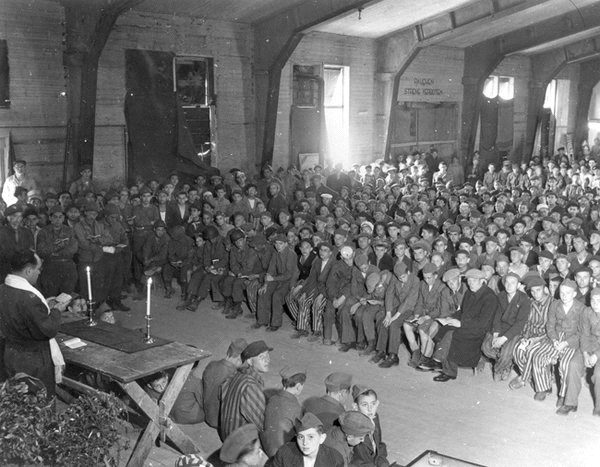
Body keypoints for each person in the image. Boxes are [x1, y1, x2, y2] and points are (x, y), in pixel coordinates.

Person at [0, 249, 64, 398]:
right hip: (33, 361)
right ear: (28, 270)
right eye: (38, 269)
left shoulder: (2, 289)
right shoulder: (30, 299)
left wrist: (42, 307)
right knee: (39, 404)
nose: (39, 273)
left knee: (18, 402)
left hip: (10, 355)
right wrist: (56, 311)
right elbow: (49, 329)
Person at [433, 268, 500, 382]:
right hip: (468, 324)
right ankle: (441, 362)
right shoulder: (469, 292)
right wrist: (451, 318)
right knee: (444, 329)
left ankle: (443, 365)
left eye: (474, 281)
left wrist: (461, 323)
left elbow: (483, 323)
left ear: (482, 281)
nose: (470, 284)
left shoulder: (489, 297)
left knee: (453, 334)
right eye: (468, 281)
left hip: (479, 330)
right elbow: (463, 311)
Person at [481, 272, 531, 381]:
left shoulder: (524, 299)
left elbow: (520, 323)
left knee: (506, 353)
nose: (509, 285)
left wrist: (503, 338)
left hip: (514, 330)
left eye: (513, 283)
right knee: (486, 347)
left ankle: (499, 369)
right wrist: (495, 335)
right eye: (507, 282)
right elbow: (496, 317)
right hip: (500, 328)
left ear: (518, 285)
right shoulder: (500, 296)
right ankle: (506, 363)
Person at [219, 340, 272, 441]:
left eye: (268, 355)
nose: (267, 360)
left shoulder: (237, 374)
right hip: (238, 443)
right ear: (249, 361)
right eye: (261, 357)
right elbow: (261, 424)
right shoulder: (250, 386)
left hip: (227, 434)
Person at [202, 338, 248, 429]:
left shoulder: (212, 365)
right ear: (239, 359)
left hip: (208, 415)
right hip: (221, 422)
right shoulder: (234, 376)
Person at [268, 413, 344, 467]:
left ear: (322, 438)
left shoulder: (334, 460)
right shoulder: (284, 454)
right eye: (301, 437)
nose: (304, 443)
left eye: (310, 437)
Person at [262, 366, 306, 457]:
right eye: (302, 385)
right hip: (283, 454)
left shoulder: (273, 398)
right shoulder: (295, 407)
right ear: (298, 387)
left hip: (268, 448)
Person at [351, 385, 391, 467]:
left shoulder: (374, 417)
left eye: (373, 404)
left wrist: (382, 463)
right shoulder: (352, 426)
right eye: (364, 405)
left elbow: (379, 445)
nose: (370, 409)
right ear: (355, 407)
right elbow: (354, 460)